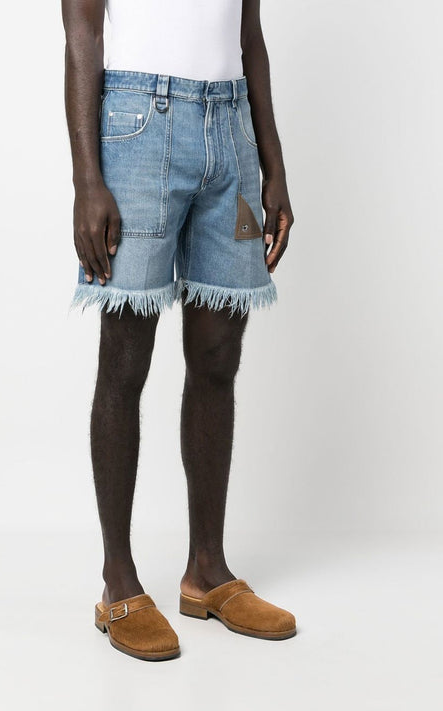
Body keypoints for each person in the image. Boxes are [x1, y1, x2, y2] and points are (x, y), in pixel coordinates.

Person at [61, 0, 296, 661]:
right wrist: (86, 180)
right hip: (137, 128)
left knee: (218, 355)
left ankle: (207, 572)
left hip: (232, 134)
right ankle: (118, 582)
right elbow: (82, 31)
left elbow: (249, 37)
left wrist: (274, 166)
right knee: (125, 360)